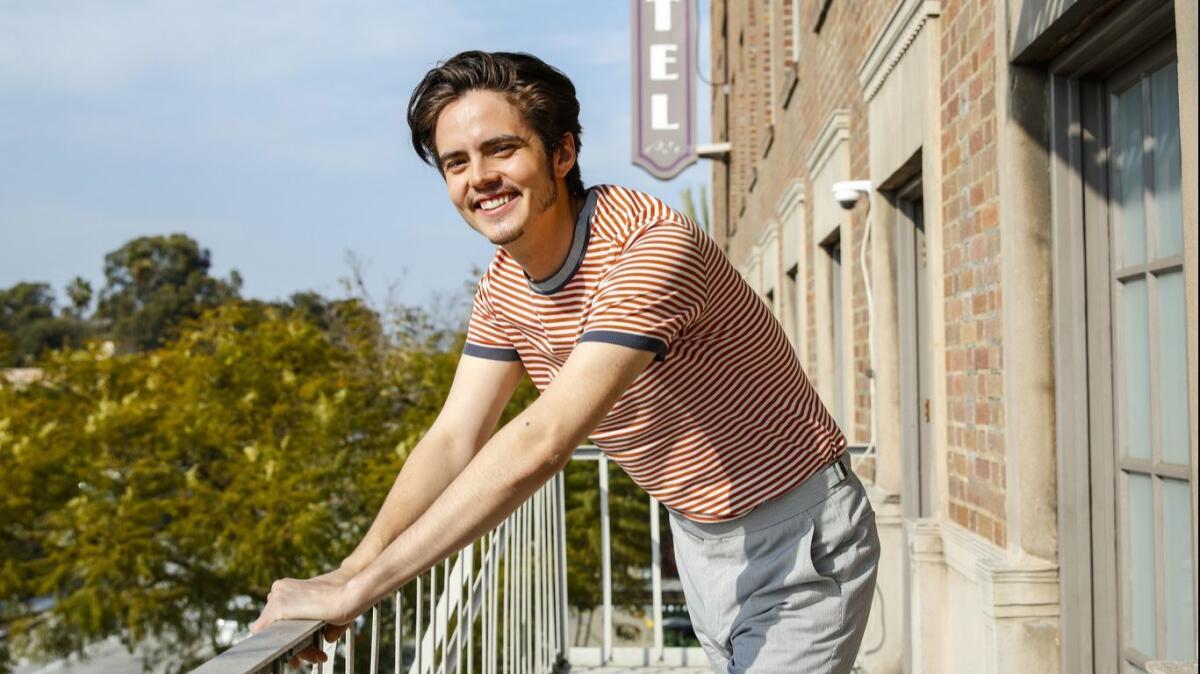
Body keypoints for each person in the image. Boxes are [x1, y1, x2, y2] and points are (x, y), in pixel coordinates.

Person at [251, 50, 880, 674]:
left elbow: (545, 439)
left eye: (502, 149)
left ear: (562, 153)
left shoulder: (650, 248)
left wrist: (363, 591)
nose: (479, 178)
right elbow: (453, 437)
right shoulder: (504, 285)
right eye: (456, 163)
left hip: (798, 534)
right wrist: (348, 573)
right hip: (700, 542)